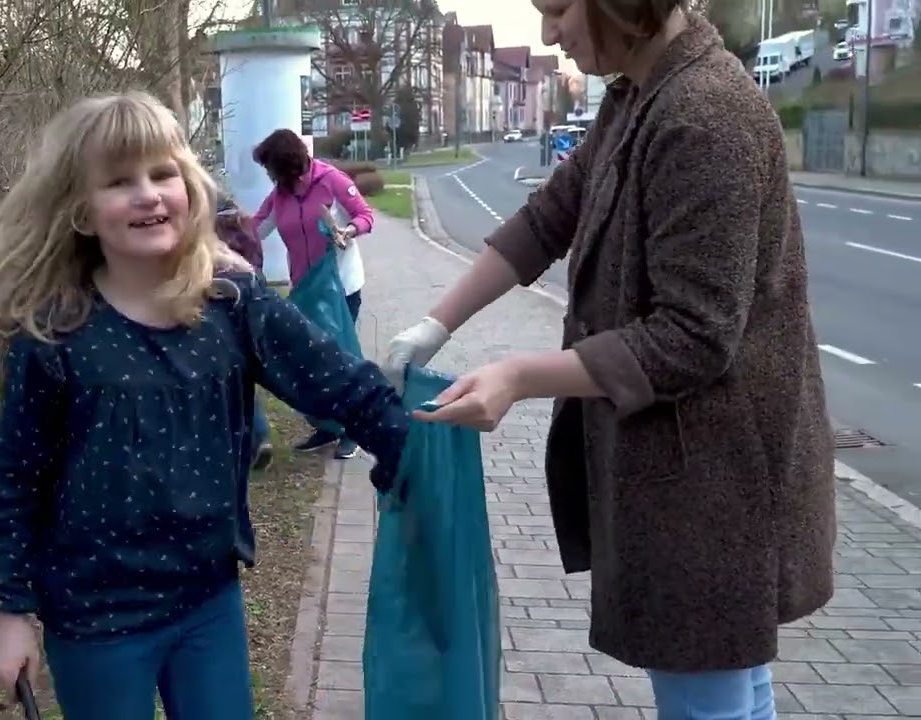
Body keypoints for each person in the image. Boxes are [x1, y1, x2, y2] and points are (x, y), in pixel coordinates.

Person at [383, 4, 835, 720]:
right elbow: (547, 219)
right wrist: (434, 324)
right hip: (688, 476)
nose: (546, 34)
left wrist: (519, 378)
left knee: (708, 702)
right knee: (732, 695)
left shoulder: (706, 116)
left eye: (558, 8)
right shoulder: (639, 94)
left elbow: (693, 335)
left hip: (717, 486)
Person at [0, 92, 411, 720]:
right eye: (120, 182)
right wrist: (7, 611)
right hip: (95, 616)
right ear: (81, 212)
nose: (149, 194)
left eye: (163, 173)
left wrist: (415, 450)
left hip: (207, 602)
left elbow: (343, 386)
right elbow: (12, 481)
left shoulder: (233, 303)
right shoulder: (56, 333)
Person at [251, 128, 374, 460]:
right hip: (306, 289)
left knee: (342, 361)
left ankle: (355, 429)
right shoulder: (281, 193)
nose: (270, 177)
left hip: (341, 287)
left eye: (272, 169)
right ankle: (327, 426)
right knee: (313, 364)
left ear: (289, 164)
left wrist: (347, 231)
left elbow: (366, 216)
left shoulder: (332, 181)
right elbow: (257, 227)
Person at [213, 191, 274, 471]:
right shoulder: (246, 226)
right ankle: (258, 437)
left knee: (235, 375)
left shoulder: (212, 232)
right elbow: (257, 263)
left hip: (223, 304)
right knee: (246, 370)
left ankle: (255, 437)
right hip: (251, 297)